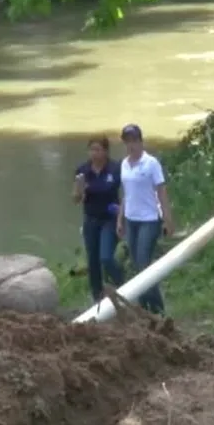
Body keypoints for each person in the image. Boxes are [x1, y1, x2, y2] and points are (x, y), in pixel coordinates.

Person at [116, 124, 175, 315]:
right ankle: (144, 308)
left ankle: (158, 310)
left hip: (149, 219)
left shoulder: (151, 163)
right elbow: (126, 194)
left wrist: (167, 219)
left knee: (143, 264)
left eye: (134, 141)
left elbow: (161, 192)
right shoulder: (124, 164)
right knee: (136, 265)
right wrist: (120, 220)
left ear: (141, 142)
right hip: (131, 219)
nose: (131, 145)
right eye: (127, 142)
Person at [73, 135, 124, 302]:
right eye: (91, 150)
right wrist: (79, 191)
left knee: (106, 257)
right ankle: (97, 297)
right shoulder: (83, 170)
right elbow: (76, 199)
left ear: (106, 151)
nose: (94, 153)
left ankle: (123, 284)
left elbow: (125, 193)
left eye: (98, 150)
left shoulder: (115, 168)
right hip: (91, 219)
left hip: (110, 219)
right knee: (93, 260)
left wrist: (122, 217)